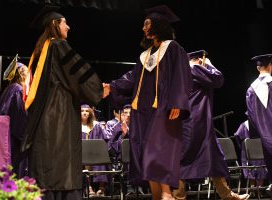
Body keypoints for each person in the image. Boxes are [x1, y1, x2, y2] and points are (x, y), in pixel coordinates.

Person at [103, 5, 192, 200]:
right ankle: (156, 195)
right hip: (142, 111)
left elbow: (181, 76)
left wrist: (177, 102)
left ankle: (167, 194)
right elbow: (131, 79)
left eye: (147, 24)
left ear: (159, 25)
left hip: (164, 108)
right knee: (144, 152)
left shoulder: (173, 48)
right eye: (144, 25)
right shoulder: (144, 56)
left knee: (158, 150)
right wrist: (111, 86)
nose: (144, 28)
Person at [20, 5, 104, 200]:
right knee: (61, 165)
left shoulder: (40, 50)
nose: (69, 27)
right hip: (59, 115)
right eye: (65, 22)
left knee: (45, 167)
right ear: (55, 24)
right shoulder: (58, 45)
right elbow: (79, 74)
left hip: (43, 118)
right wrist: (99, 89)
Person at [173, 50, 249, 200]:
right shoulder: (194, 69)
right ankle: (178, 196)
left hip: (195, 123)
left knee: (214, 158)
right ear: (199, 60)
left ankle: (227, 195)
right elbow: (218, 79)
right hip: (194, 123)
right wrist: (209, 64)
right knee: (184, 160)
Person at [0, 58, 28, 178]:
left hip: (6, 139)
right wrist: (27, 138)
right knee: (16, 173)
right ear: (22, 75)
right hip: (15, 141)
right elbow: (20, 118)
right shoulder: (18, 90)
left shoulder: (8, 90)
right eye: (27, 73)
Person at [246, 54, 272, 196]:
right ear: (270, 66)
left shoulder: (251, 89)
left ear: (258, 68)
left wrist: (257, 137)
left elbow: (251, 117)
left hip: (264, 137)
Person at [81, 104, 108, 197]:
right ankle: (88, 187)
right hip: (82, 155)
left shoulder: (97, 125)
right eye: (82, 111)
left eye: (86, 111)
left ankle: (101, 188)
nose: (84, 113)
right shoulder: (76, 126)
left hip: (96, 154)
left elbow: (103, 140)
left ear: (90, 113)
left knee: (101, 160)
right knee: (84, 162)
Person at [233, 120, 267, 187]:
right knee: (261, 167)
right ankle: (259, 189)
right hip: (259, 148)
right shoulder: (261, 122)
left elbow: (237, 135)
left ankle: (252, 188)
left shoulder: (244, 124)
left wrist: (240, 145)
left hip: (247, 148)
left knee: (249, 168)